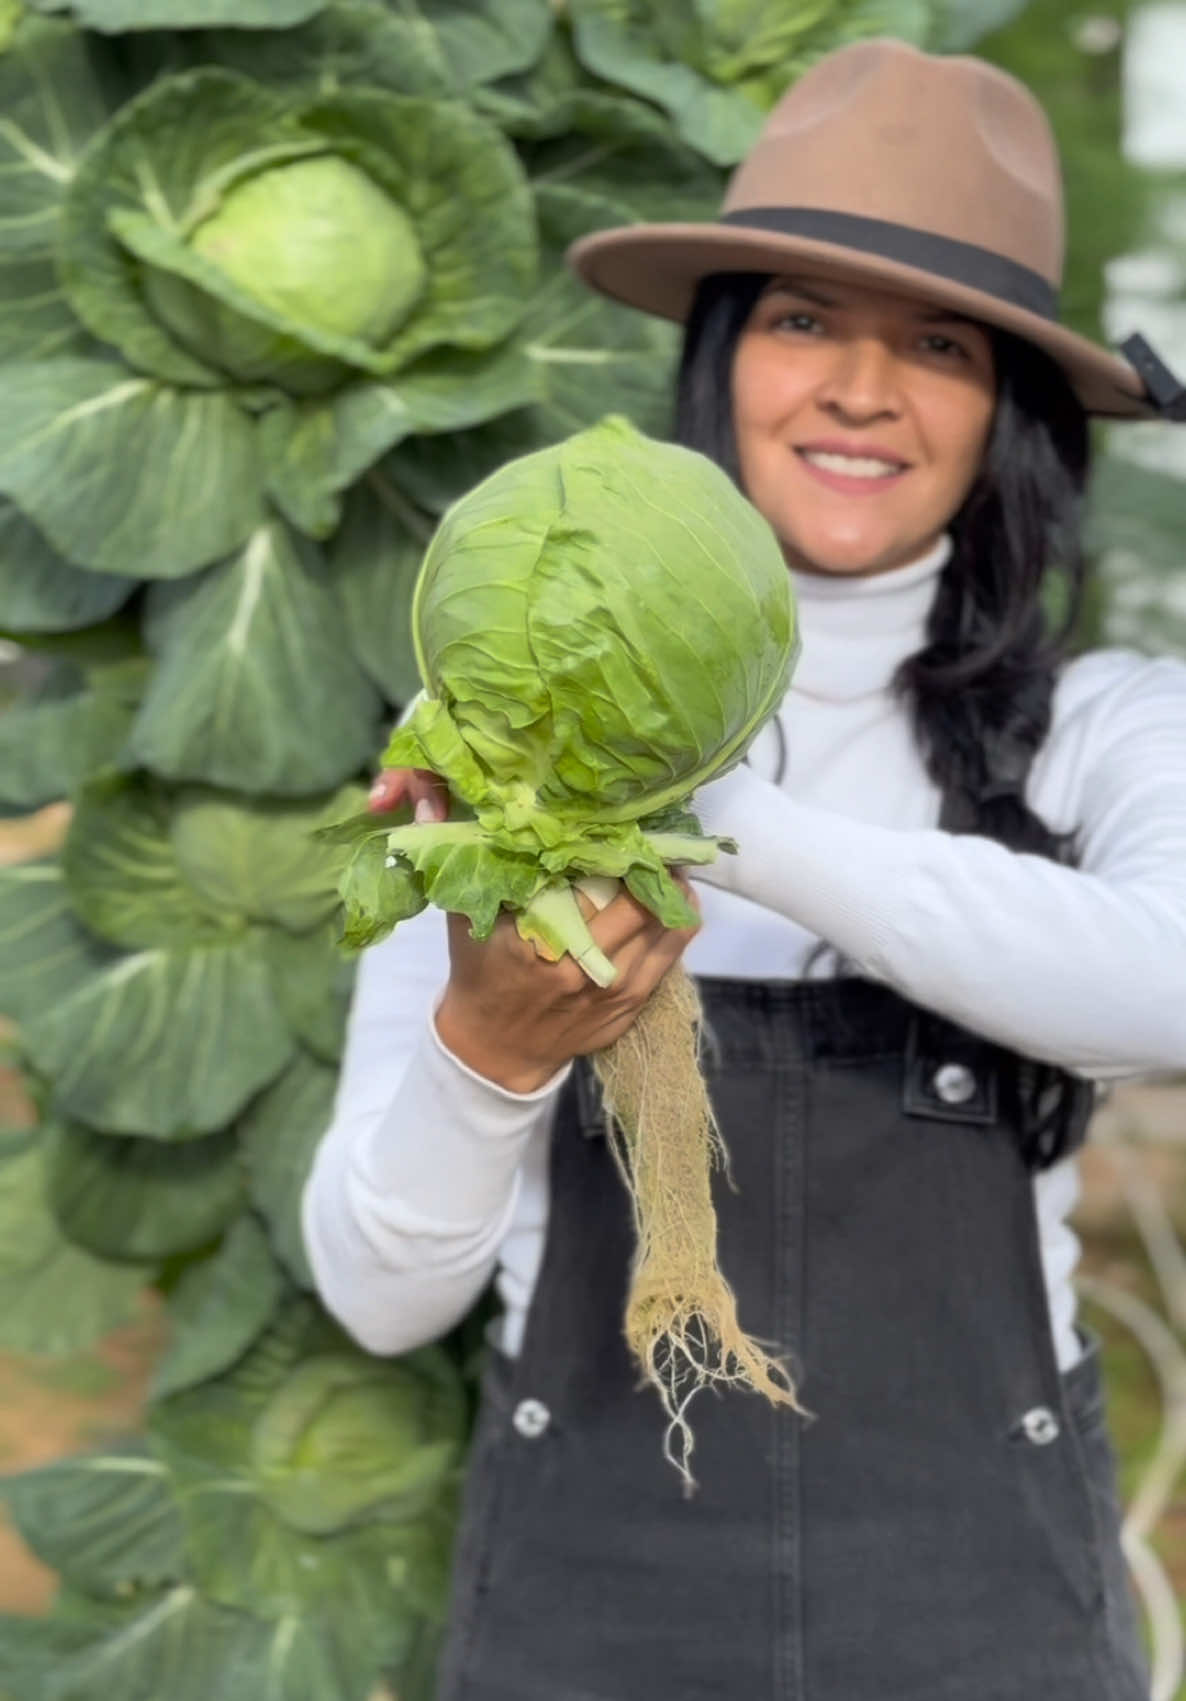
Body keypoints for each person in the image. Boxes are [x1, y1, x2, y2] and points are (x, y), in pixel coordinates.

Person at [302, 38, 1186, 1701]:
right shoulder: (485, 742)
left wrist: (695, 802)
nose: (861, 387)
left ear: (1010, 409)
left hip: (979, 1595)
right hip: (587, 1589)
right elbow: (374, 1297)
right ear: (716, 360)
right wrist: (486, 1053)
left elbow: (1167, 983)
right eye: (800, 321)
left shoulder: (1100, 724)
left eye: (940, 344)